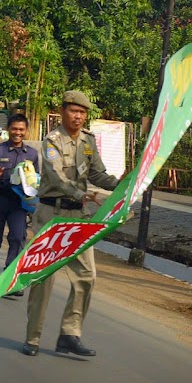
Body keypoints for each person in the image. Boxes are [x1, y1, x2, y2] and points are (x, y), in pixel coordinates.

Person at [22, 90, 120, 358]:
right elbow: (54, 177)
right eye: (74, 111)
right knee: (44, 277)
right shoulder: (52, 141)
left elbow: (97, 174)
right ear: (63, 111)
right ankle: (33, 338)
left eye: (83, 112)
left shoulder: (88, 141)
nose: (78, 117)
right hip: (51, 215)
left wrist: (123, 182)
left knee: (87, 276)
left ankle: (69, 334)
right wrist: (82, 194)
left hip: (78, 218)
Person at [0, 113, 39, 292]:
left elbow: (36, 179)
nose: (18, 132)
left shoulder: (32, 154)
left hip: (18, 204)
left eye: (21, 129)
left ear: (26, 131)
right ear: (8, 129)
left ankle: (10, 278)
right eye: (14, 129)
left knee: (17, 238)